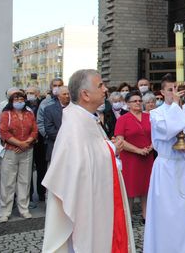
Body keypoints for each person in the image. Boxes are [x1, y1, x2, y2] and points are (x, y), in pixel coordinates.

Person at [42, 69, 135, 252]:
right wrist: (112, 148)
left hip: (98, 200)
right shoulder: (74, 123)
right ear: (85, 94)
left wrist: (108, 147)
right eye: (100, 85)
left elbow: (91, 152)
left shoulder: (85, 118)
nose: (105, 89)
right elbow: (79, 166)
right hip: (84, 207)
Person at [144, 74, 185, 253]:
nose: (174, 93)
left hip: (184, 166)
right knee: (166, 213)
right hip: (165, 167)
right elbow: (167, 131)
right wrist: (175, 106)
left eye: (176, 89)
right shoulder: (156, 114)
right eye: (169, 90)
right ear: (162, 92)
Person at [0, 90, 38, 222]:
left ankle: (24, 209)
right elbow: (3, 132)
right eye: (16, 99)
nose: (19, 102)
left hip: (27, 150)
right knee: (8, 182)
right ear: (11, 101)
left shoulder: (29, 113)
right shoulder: (6, 114)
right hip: (11, 150)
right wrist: (20, 143)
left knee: (25, 181)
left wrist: (26, 143)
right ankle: (5, 211)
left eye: (21, 99)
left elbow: (34, 130)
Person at [114, 91, 154, 222]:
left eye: (139, 100)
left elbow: (157, 135)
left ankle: (146, 215)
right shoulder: (122, 119)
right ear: (127, 104)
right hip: (130, 159)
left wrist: (151, 147)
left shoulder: (149, 117)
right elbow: (120, 140)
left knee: (146, 187)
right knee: (129, 188)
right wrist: (137, 150)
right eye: (134, 101)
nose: (138, 103)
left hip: (147, 157)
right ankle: (128, 217)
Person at [43, 86, 70, 165]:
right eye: (64, 94)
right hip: (56, 146)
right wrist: (66, 138)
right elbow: (49, 129)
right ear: (58, 96)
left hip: (74, 149)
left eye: (68, 94)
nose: (67, 96)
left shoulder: (77, 109)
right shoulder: (49, 110)